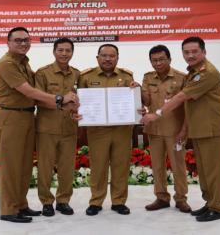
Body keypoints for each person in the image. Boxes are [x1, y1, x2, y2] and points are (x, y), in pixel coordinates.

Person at [141, 36, 220, 222]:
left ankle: (218, 207)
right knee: (206, 172)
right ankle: (210, 204)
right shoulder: (193, 72)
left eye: (194, 51)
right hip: (200, 128)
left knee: (215, 171)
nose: (190, 55)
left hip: (213, 129)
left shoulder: (207, 72)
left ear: (204, 52)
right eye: (186, 52)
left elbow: (181, 97)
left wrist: (156, 113)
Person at [0, 27, 78, 223]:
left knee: (23, 165)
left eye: (26, 40)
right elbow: (29, 92)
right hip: (10, 118)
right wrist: (60, 99)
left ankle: (21, 205)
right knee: (10, 166)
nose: (23, 44)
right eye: (18, 40)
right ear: (8, 43)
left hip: (26, 117)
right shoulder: (6, 63)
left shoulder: (24, 64)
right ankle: (8, 210)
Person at [78, 44, 139, 216]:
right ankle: (96, 201)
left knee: (121, 166)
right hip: (97, 130)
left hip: (122, 129)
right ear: (97, 58)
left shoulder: (127, 76)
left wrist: (136, 97)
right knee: (98, 166)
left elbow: (133, 99)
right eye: (104, 55)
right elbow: (80, 100)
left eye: (112, 56)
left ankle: (119, 201)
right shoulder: (86, 77)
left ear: (117, 58)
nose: (107, 59)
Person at [141, 45, 191, 213]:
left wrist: (184, 130)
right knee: (157, 166)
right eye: (154, 60)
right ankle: (161, 197)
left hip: (174, 130)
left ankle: (181, 198)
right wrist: (135, 91)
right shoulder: (148, 78)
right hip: (154, 130)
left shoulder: (181, 78)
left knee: (178, 166)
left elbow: (187, 107)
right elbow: (147, 102)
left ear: (169, 59)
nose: (158, 63)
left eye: (162, 59)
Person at [34, 38, 80, 217]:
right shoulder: (43, 73)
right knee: (45, 168)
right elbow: (38, 99)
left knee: (67, 168)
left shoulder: (77, 74)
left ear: (72, 53)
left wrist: (78, 110)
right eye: (60, 50)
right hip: (47, 128)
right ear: (54, 52)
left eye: (68, 50)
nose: (64, 54)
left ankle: (63, 201)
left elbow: (81, 99)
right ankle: (46, 202)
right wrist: (62, 101)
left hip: (69, 127)